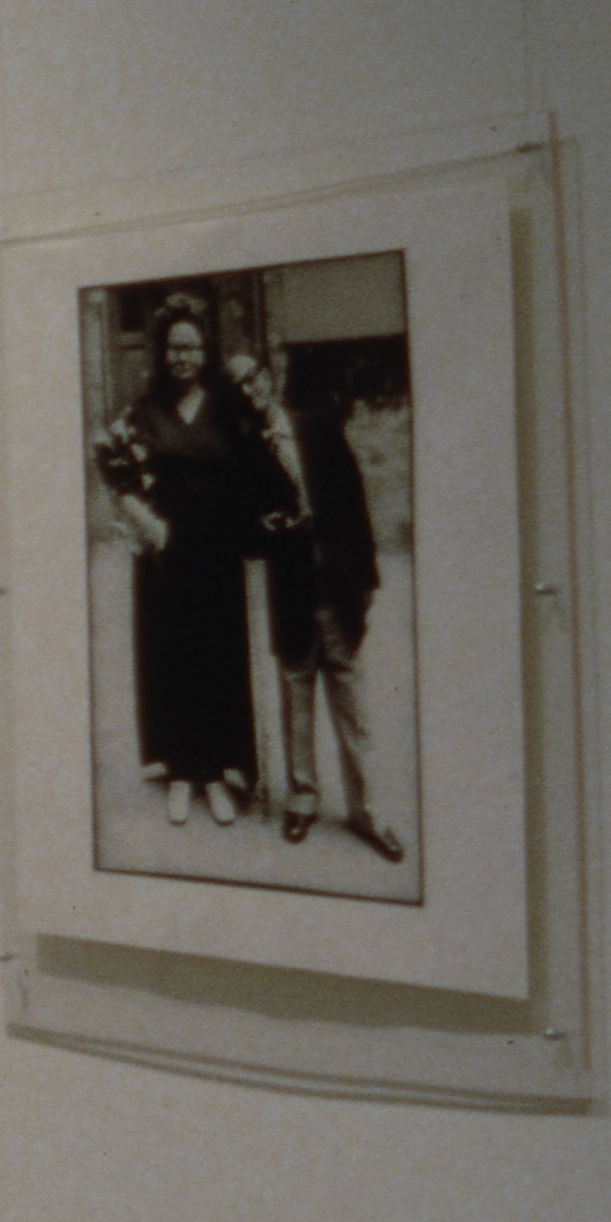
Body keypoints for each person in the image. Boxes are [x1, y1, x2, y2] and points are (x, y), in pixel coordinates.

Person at [90, 295, 275, 826]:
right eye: (174, 347)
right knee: (171, 659)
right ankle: (179, 773)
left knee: (217, 658)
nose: (182, 357)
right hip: (165, 555)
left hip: (217, 554)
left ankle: (214, 774)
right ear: (162, 352)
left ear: (205, 351)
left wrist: (256, 527)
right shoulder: (144, 409)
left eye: (191, 346)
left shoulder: (226, 405)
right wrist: (138, 515)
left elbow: (257, 458)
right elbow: (109, 459)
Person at [249, 352, 407, 864]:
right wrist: (268, 530)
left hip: (336, 587)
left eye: (252, 379)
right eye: (236, 386)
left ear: (269, 379)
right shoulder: (244, 451)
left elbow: (354, 503)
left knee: (353, 703)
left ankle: (368, 811)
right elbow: (244, 532)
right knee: (296, 697)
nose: (247, 390)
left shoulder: (317, 427)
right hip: (290, 592)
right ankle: (302, 799)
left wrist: (367, 579)